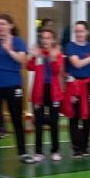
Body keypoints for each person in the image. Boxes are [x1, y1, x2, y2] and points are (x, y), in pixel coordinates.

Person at [0, 13, 32, 164]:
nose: (0, 27)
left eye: (3, 24)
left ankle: (22, 153)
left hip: (13, 83)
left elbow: (23, 60)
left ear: (10, 26)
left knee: (17, 118)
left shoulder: (18, 41)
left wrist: (9, 50)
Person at [29, 28, 66, 161]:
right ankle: (38, 152)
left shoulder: (57, 53)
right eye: (43, 38)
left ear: (53, 40)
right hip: (39, 91)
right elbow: (29, 67)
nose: (45, 40)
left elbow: (56, 71)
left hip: (53, 90)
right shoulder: (39, 52)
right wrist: (33, 56)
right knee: (38, 122)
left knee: (54, 122)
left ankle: (55, 150)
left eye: (48, 38)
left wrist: (52, 57)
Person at [65, 21, 90, 157]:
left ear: (87, 32)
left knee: (88, 116)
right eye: (77, 31)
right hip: (75, 85)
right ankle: (76, 148)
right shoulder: (70, 46)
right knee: (74, 115)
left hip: (89, 84)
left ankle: (84, 146)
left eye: (81, 31)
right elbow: (77, 64)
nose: (79, 34)